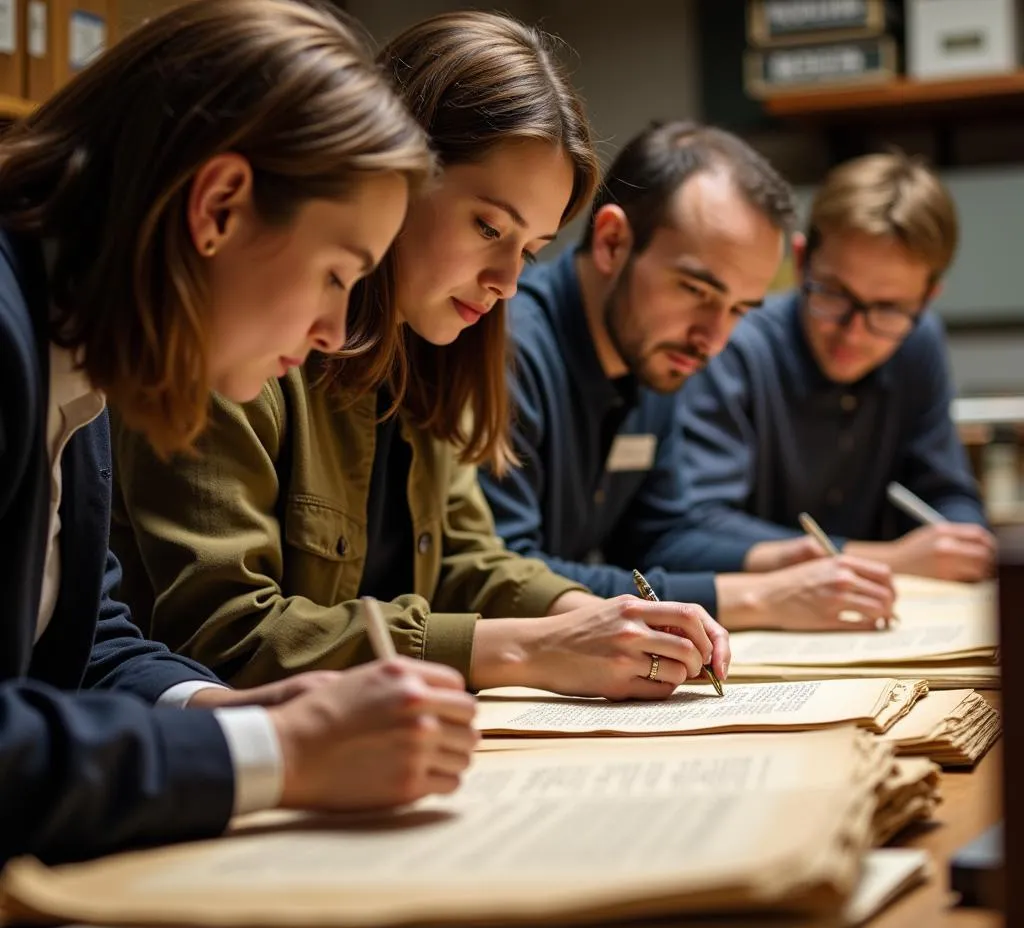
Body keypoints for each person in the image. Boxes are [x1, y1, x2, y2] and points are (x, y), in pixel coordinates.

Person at [111, 12, 730, 699]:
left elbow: (470, 560)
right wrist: (531, 647)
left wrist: (603, 622)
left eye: (529, 250)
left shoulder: (433, 352)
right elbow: (221, 634)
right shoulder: (248, 339)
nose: (507, 282)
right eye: (488, 226)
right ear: (392, 175)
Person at [1, 0, 478, 869]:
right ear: (218, 206)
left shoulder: (83, 344)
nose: (338, 330)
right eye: (337, 275)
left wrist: (233, 713)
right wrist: (278, 758)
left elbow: (80, 643)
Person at [479, 121, 897, 633]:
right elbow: (503, 576)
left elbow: (658, 534)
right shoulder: (506, 347)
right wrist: (754, 598)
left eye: (739, 309)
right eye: (696, 291)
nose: (713, 340)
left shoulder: (655, 356)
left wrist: (772, 560)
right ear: (612, 242)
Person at [675, 151, 993, 583]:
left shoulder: (919, 342)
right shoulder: (734, 344)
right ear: (802, 261)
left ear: (927, 297)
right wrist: (890, 560)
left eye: (888, 308)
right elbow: (694, 529)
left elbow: (942, 494)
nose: (854, 333)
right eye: (835, 294)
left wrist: (961, 540)